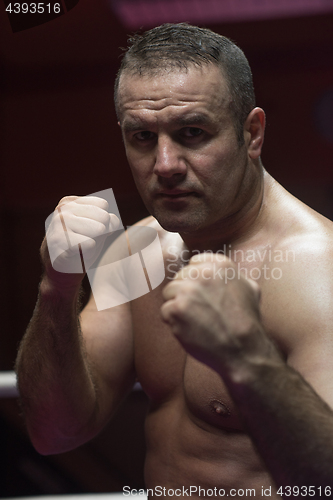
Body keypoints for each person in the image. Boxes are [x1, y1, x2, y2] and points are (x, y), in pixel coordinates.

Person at [15, 23, 333, 498]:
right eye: (142, 136)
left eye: (192, 132)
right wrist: (57, 290)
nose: (165, 164)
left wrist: (245, 360)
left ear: (252, 133)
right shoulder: (141, 251)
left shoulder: (318, 271)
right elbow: (53, 432)